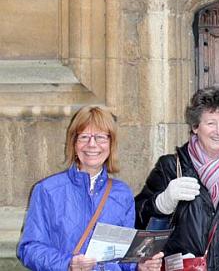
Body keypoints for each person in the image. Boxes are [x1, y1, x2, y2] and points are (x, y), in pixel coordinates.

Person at [135, 87, 219, 270]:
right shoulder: (170, 167)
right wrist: (162, 203)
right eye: (211, 123)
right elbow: (139, 218)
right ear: (195, 126)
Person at [17, 106, 163, 271]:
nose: (92, 144)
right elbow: (28, 249)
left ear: (110, 143)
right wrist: (68, 263)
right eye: (84, 137)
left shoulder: (122, 194)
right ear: (74, 143)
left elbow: (123, 257)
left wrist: (139, 265)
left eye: (100, 137)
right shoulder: (47, 190)